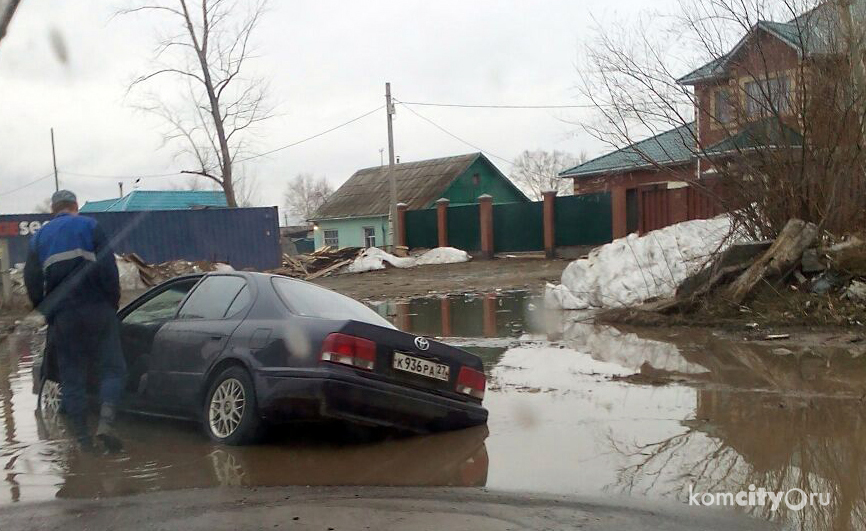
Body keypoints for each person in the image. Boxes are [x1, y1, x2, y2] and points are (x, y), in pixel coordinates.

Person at [24, 190, 126, 452]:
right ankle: (106, 423)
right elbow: (109, 271)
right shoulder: (91, 226)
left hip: (64, 317)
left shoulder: (39, 238)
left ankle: (83, 442)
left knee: (72, 378)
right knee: (112, 368)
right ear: (75, 207)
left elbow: (32, 282)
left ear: (54, 209)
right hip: (98, 310)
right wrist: (110, 305)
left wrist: (46, 311)